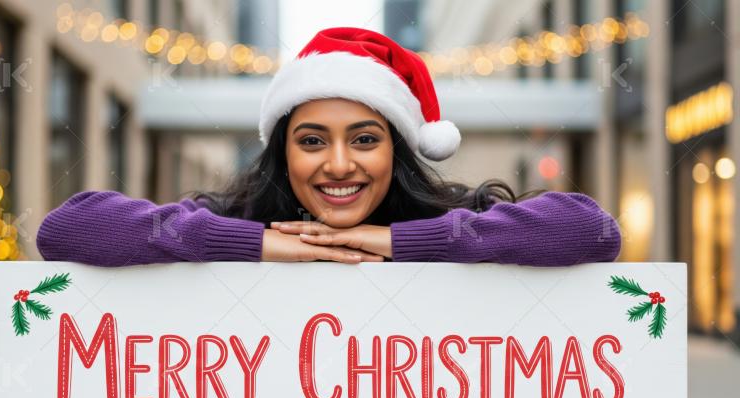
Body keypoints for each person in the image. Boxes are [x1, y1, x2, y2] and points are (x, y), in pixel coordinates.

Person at [36, 27, 621, 267]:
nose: (339, 164)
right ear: (281, 153)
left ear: (397, 150)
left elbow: (593, 232)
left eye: (365, 139)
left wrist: (399, 241)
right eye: (312, 141)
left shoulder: (450, 219)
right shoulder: (236, 222)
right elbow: (63, 231)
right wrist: (252, 243)